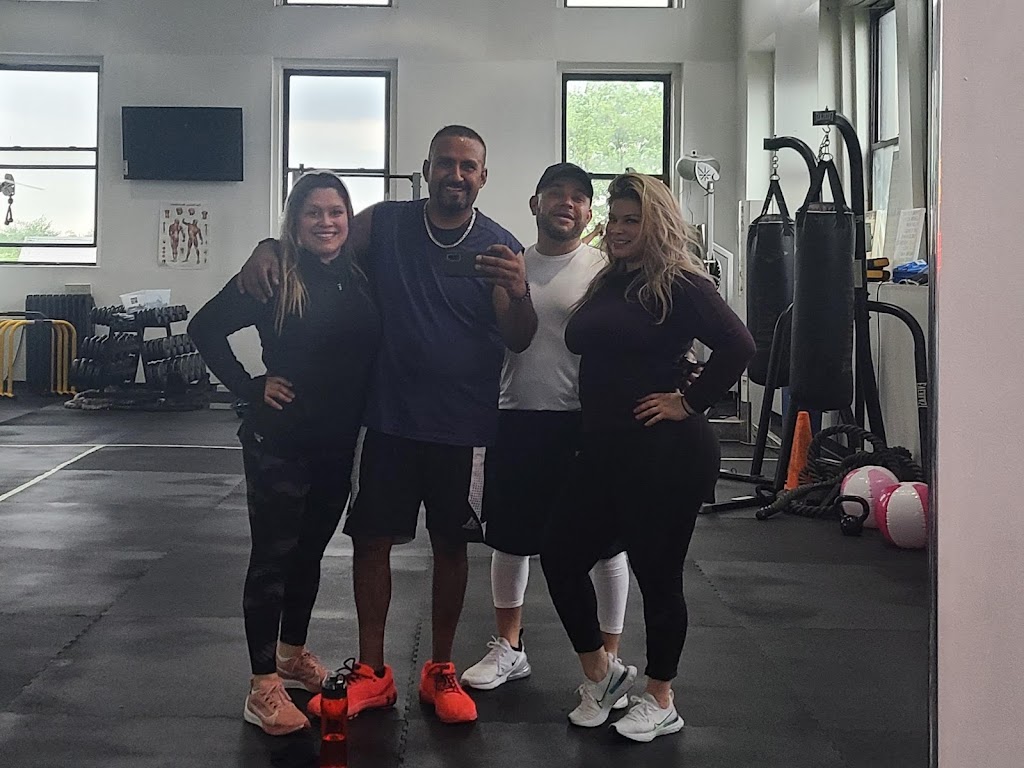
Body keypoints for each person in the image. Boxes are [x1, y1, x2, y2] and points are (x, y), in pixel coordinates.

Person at [236, 126, 536, 725]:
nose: (456, 175)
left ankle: (441, 668)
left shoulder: (500, 246)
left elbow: (519, 338)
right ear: (427, 169)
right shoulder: (387, 223)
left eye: (468, 166)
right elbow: (320, 235)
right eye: (445, 163)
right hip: (388, 420)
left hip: (461, 426)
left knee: (451, 545)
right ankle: (373, 671)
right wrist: (268, 245)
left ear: (483, 176)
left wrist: (520, 291)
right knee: (371, 541)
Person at [540, 172, 755, 742]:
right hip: (604, 451)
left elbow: (739, 344)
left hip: (664, 454)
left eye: (631, 220)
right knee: (559, 555)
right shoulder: (610, 279)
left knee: (658, 576)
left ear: (656, 224)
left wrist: (689, 401)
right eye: (614, 219)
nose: (617, 229)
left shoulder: (680, 283)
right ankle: (602, 674)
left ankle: (661, 697)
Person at [188, 171, 381, 736]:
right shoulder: (273, 276)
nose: (326, 222)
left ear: (349, 219)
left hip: (336, 444)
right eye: (313, 212)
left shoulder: (359, 273)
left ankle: (291, 655)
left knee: (309, 554)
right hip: (280, 441)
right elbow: (205, 327)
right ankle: (262, 686)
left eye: (336, 212)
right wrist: (249, 387)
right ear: (295, 221)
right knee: (273, 558)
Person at [459, 163, 630, 702]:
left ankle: (608, 661)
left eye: (579, 196)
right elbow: (509, 337)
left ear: (589, 211)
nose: (567, 203)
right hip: (518, 413)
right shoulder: (513, 265)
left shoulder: (606, 270)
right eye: (556, 193)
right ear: (535, 203)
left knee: (604, 547)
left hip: (587, 421)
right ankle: (510, 647)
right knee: (510, 538)